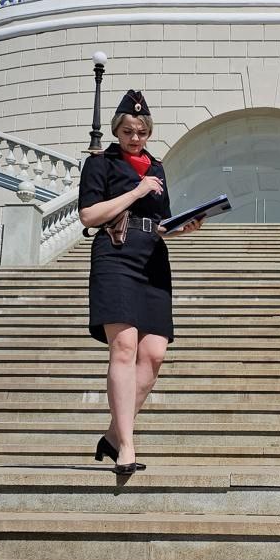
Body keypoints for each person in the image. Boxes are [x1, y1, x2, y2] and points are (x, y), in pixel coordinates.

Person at [78, 90, 204, 475]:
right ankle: (127, 448)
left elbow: (161, 222)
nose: (135, 138)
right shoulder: (100, 163)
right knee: (124, 347)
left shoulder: (157, 167)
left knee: (154, 354)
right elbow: (89, 215)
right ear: (117, 130)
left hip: (152, 259)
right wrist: (136, 190)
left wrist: (184, 227)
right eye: (128, 131)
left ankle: (113, 434)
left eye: (142, 132)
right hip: (114, 254)